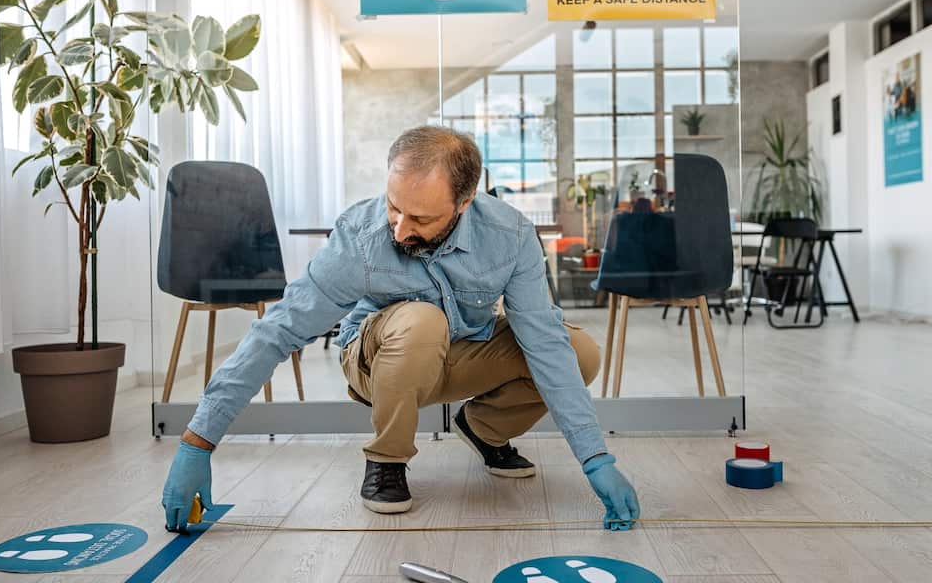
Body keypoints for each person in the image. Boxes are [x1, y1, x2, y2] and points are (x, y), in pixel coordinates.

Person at [161, 126, 640, 531]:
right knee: (421, 320)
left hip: (460, 352)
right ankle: (386, 462)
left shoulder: (509, 236)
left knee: (578, 351)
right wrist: (197, 442)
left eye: (421, 218)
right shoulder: (361, 238)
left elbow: (544, 343)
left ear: (465, 202)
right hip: (377, 361)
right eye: (395, 207)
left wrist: (595, 458)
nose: (399, 230)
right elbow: (279, 330)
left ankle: (484, 430)